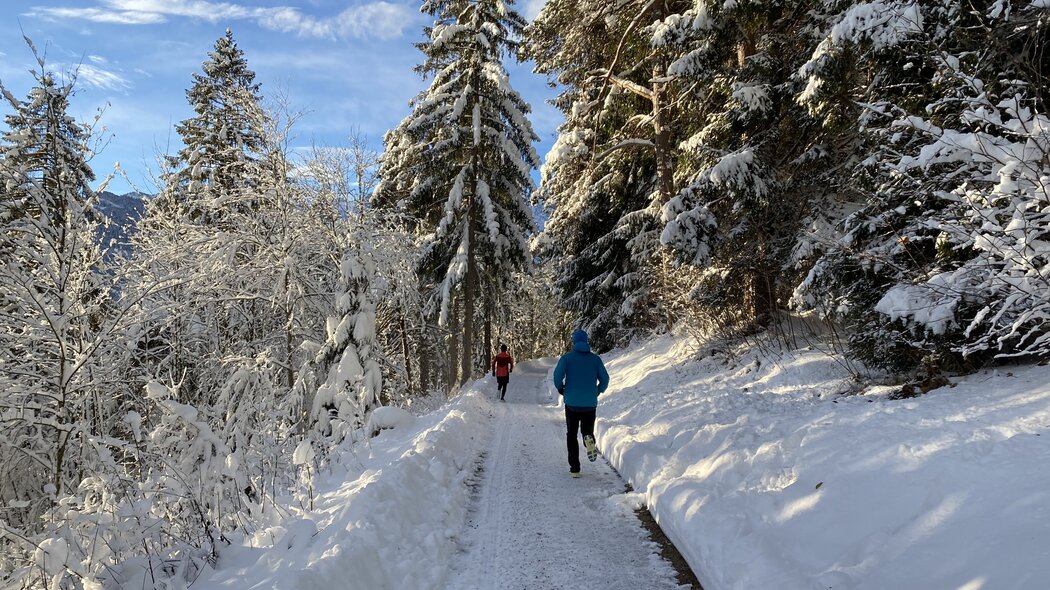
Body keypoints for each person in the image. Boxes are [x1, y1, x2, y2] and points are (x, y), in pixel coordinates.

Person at [552, 329, 609, 477]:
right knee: (586, 431)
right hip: (590, 403)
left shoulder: (567, 358)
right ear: (586, 341)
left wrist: (560, 388)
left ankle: (575, 468)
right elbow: (605, 379)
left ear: (574, 342)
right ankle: (588, 439)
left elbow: (557, 375)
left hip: (571, 402)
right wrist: (598, 390)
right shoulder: (595, 359)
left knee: (571, 434)